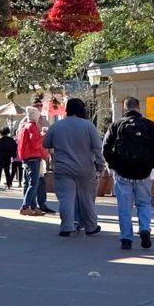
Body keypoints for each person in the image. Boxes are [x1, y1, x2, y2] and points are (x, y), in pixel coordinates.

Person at [102, 96, 154, 250]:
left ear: (125, 108)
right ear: (139, 108)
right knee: (143, 203)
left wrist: (114, 165)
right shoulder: (149, 125)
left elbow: (106, 148)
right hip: (143, 172)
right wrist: (151, 164)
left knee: (124, 207)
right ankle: (144, 229)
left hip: (123, 172)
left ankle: (126, 239)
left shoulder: (116, 125)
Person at [45, 96, 105, 237]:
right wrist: (101, 165)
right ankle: (91, 226)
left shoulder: (57, 126)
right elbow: (97, 147)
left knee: (66, 198)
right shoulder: (88, 126)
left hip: (63, 167)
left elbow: (46, 143)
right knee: (87, 198)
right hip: (85, 167)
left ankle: (66, 227)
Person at [16, 106, 50, 216]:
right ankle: (25, 206)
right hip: (33, 157)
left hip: (26, 157)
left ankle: (32, 207)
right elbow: (36, 143)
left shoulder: (24, 126)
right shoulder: (33, 127)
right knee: (33, 183)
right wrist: (43, 136)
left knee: (28, 183)